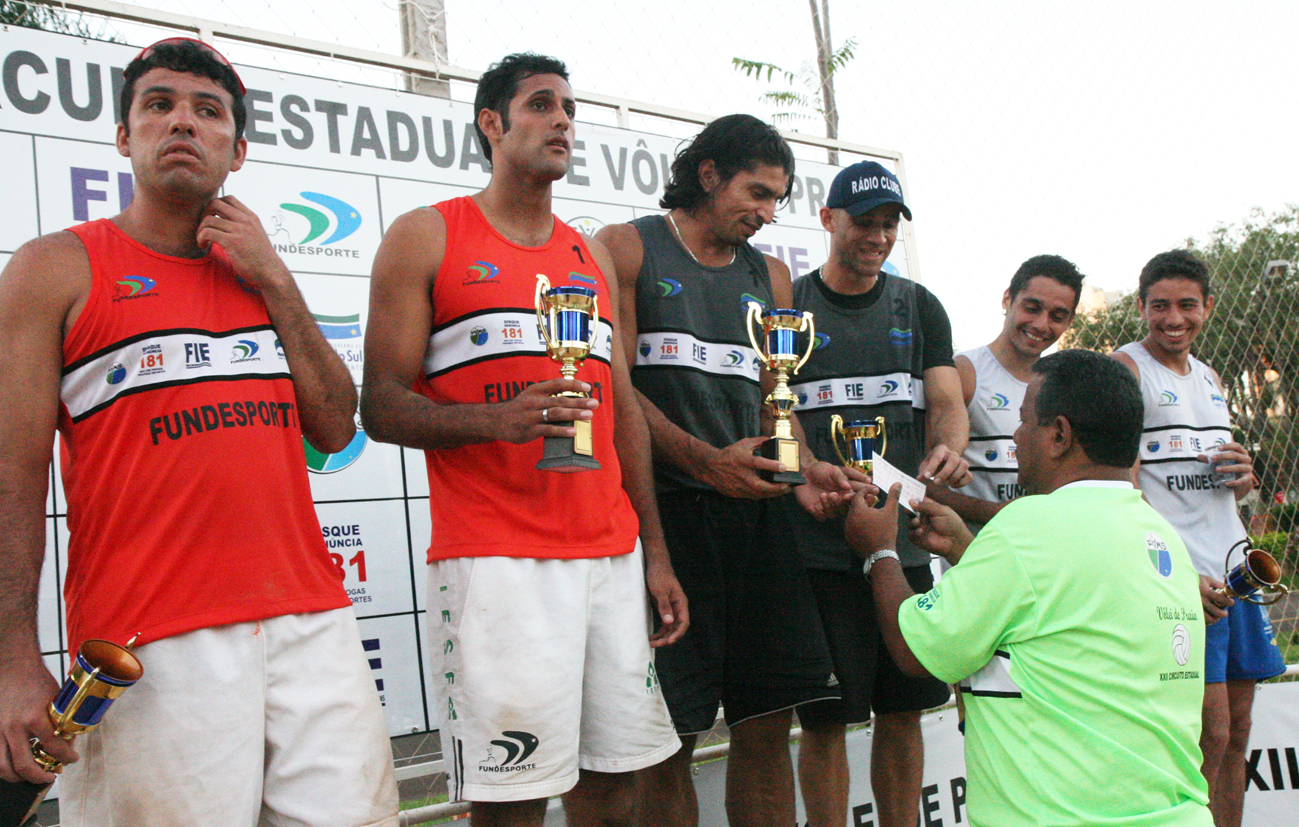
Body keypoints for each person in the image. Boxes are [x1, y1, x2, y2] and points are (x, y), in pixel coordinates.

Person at [0, 38, 397, 826]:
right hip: (148, 638)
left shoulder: (262, 277)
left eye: (208, 111)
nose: (183, 122)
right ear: (123, 136)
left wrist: (277, 279)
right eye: (159, 105)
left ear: (238, 150)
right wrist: (12, 654)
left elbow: (333, 421)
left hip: (311, 619)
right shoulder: (56, 268)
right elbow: (12, 474)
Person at [359, 53, 684, 827]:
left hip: (608, 555)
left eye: (569, 107)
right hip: (497, 559)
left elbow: (621, 413)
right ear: (491, 124)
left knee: (614, 787)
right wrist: (493, 420)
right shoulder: (426, 236)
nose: (563, 120)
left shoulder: (590, 254)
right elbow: (379, 407)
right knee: (512, 801)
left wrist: (655, 551)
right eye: (541, 105)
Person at [597, 115, 849, 827]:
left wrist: (806, 471)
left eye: (777, 199)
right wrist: (704, 461)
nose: (767, 212)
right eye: (757, 192)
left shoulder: (768, 274)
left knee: (767, 722)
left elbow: (779, 400)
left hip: (758, 520)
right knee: (664, 739)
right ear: (707, 173)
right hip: (668, 518)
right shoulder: (625, 246)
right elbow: (614, 391)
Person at [846, 349, 1214, 827]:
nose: (1015, 438)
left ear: (1059, 434)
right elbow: (1052, 615)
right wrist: (966, 550)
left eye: (1022, 423)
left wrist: (879, 552)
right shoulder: (1160, 533)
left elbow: (916, 650)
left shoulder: (1030, 525)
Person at [786, 160, 969, 827]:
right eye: (864, 221)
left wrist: (947, 444)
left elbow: (945, 400)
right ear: (828, 219)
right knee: (827, 721)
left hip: (903, 546)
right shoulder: (789, 309)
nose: (878, 235)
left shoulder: (917, 304)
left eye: (889, 223)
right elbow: (769, 417)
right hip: (818, 547)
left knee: (902, 709)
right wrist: (803, 468)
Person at [1113, 250, 1285, 827]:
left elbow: (1216, 480)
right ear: (1141, 308)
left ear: (1208, 307)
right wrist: (1169, 576)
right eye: (1159, 306)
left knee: (1238, 733)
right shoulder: (1128, 369)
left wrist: (1244, 473)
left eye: (1187, 305)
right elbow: (1125, 488)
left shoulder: (1210, 376)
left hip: (1236, 575)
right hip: (1185, 583)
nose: (1173, 318)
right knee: (1205, 735)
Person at [929, 255, 1084, 534]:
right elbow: (924, 479)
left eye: (1057, 316)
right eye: (1032, 308)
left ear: (1070, 320)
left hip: (1046, 549)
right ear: (1008, 299)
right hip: (976, 551)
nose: (1041, 324)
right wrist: (995, 513)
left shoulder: (1066, 383)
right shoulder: (965, 372)